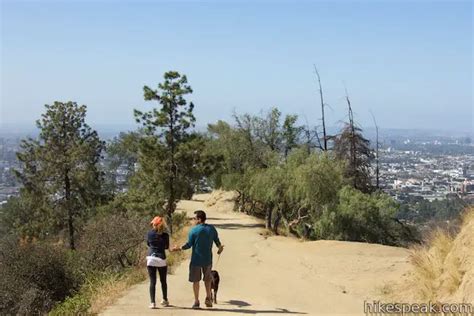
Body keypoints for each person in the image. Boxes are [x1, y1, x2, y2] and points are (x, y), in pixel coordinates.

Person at [172, 210, 224, 309]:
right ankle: (208, 298)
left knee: (196, 281)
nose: (193, 220)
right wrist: (219, 247)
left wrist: (178, 248)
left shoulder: (194, 230)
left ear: (199, 219)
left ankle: (196, 302)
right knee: (207, 280)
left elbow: (188, 244)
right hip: (208, 259)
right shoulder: (212, 229)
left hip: (196, 259)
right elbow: (217, 241)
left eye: (195, 218)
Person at [146, 216, 170, 309]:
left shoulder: (149, 233)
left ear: (154, 224)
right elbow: (166, 247)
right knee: (163, 281)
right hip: (161, 259)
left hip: (151, 258)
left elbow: (148, 244)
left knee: (153, 281)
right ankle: (164, 299)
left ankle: (152, 302)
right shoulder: (165, 235)